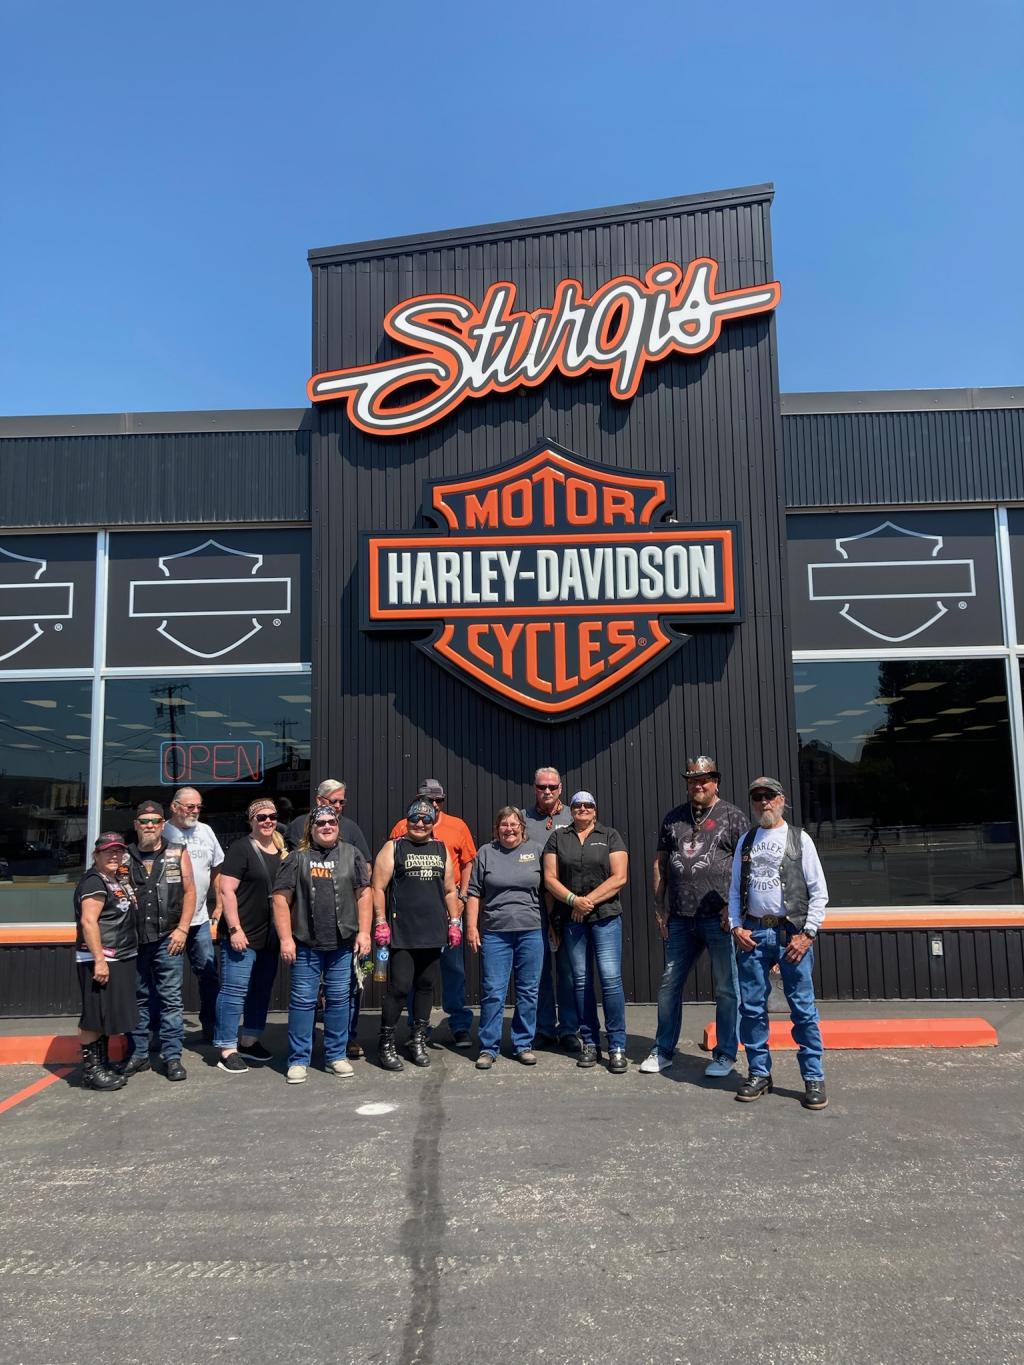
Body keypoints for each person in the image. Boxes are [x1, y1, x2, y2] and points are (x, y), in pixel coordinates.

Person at [641, 755, 748, 1077]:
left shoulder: (733, 816)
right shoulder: (674, 818)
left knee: (727, 988)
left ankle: (725, 1054)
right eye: (692, 781)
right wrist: (659, 907)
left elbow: (746, 866)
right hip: (680, 917)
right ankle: (663, 1049)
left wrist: (734, 908)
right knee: (669, 985)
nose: (697, 785)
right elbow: (660, 863)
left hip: (718, 918)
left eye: (703, 780)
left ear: (716, 782)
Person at [727, 776, 829, 1110]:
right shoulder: (746, 841)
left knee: (803, 1008)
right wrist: (736, 926)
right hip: (754, 934)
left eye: (769, 796)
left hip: (791, 934)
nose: (763, 802)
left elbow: (819, 892)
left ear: (781, 799)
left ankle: (813, 1077)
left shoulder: (800, 839)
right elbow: (734, 890)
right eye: (757, 797)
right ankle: (759, 1073)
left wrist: (808, 934)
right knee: (752, 1008)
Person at [273, 805, 372, 1084]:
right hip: (306, 942)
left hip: (342, 944)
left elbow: (364, 895)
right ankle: (298, 1060)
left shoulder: (352, 854)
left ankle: (336, 1055)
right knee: (303, 1002)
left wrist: (365, 933)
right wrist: (285, 938)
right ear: (311, 828)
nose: (327, 826)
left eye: (332, 822)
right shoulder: (297, 858)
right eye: (321, 823)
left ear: (338, 826)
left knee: (340, 1000)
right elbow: (280, 899)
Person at [542, 791, 629, 1073]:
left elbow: (620, 877)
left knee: (610, 980)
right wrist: (572, 901)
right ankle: (590, 1042)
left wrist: (586, 901)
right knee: (580, 981)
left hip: (605, 917)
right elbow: (550, 879)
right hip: (573, 919)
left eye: (588, 805)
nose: (582, 808)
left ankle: (617, 1046)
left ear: (595, 809)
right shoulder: (558, 837)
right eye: (577, 805)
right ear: (571, 810)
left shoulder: (610, 835)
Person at [371, 799, 461, 1070]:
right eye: (415, 818)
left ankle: (417, 1040)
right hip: (403, 932)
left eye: (426, 819)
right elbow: (377, 887)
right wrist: (380, 921)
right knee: (399, 987)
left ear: (434, 822)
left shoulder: (441, 848)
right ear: (407, 820)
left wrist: (454, 922)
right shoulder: (394, 847)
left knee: (425, 986)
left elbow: (450, 890)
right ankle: (385, 1043)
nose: (420, 823)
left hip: (433, 931)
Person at [389, 779, 477, 1046]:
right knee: (415, 973)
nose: (434, 804)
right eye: (429, 800)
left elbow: (468, 862)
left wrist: (462, 896)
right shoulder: (403, 826)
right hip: (414, 911)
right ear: (418, 800)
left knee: (453, 968)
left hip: (448, 908)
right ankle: (418, 1027)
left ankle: (459, 1025)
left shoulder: (457, 825)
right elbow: (391, 864)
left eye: (439, 800)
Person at [122, 801, 196, 1082]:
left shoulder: (177, 852)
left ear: (163, 824)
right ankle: (139, 1054)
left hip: (168, 937)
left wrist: (183, 930)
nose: (150, 825)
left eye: (155, 821)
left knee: (171, 1000)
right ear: (136, 825)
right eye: (144, 821)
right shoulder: (124, 856)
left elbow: (190, 892)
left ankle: (172, 1057)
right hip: (133, 939)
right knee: (137, 997)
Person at [466, 807, 545, 1070]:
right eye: (504, 825)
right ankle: (489, 1047)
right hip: (496, 933)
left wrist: (553, 925)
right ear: (496, 829)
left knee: (528, 991)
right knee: (493, 991)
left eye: (514, 824)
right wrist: (471, 927)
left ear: (522, 827)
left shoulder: (536, 851)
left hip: (531, 930)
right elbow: (474, 892)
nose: (509, 829)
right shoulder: (486, 853)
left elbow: (548, 890)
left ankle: (523, 1044)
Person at [213, 797, 285, 1074]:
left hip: (270, 935)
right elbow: (226, 890)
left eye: (272, 816)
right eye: (261, 817)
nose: (268, 821)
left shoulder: (281, 850)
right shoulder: (241, 848)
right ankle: (226, 1048)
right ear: (251, 821)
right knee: (234, 991)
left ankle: (249, 1041)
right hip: (243, 933)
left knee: (261, 989)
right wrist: (234, 928)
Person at [520, 766, 580, 1053]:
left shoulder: (574, 815)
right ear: (534, 788)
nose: (547, 791)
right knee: (539, 970)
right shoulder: (522, 819)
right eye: (542, 786)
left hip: (567, 903)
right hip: (533, 904)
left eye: (552, 787)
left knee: (568, 970)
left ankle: (569, 1029)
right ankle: (543, 1028)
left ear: (560, 788)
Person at [73, 832, 138, 1091]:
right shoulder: (94, 881)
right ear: (96, 855)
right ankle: (92, 1072)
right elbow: (88, 921)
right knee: (94, 1015)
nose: (114, 855)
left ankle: (102, 1064)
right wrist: (99, 960)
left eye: (118, 851)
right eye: (108, 851)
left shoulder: (114, 879)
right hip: (101, 958)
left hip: (119, 956)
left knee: (105, 1015)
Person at [162, 786, 224, 1043]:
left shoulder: (206, 831)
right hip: (169, 922)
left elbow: (217, 868)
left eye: (199, 806)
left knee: (208, 974)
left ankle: (211, 1027)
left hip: (199, 919)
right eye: (190, 806)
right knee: (168, 981)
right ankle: (165, 1034)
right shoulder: (162, 832)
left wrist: (218, 904)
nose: (195, 811)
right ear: (174, 807)